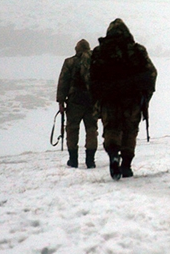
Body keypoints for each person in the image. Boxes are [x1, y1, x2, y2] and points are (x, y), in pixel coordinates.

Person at [89, 19, 157, 180]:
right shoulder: (137, 50)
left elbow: (91, 78)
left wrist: (98, 98)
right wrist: (146, 96)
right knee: (130, 130)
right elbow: (151, 73)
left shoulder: (99, 52)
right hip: (132, 98)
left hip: (109, 99)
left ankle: (113, 154)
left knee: (111, 129)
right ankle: (126, 165)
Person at [57, 39, 99, 168]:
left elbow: (63, 82)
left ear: (77, 49)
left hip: (75, 101)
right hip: (91, 100)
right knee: (91, 130)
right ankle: (90, 160)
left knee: (72, 129)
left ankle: (73, 159)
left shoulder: (69, 62)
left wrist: (61, 101)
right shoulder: (95, 61)